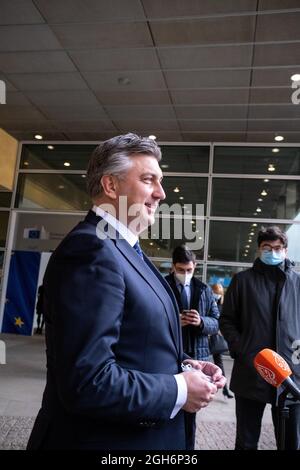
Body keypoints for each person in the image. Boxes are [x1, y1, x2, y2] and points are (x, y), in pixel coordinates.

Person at [27, 133, 225, 450]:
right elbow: (87, 381)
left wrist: (186, 365)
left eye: (160, 181)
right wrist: (179, 389)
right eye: (149, 180)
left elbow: (134, 343)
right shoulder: (91, 250)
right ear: (111, 186)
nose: (161, 193)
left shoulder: (125, 250)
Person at [220, 226, 300, 450]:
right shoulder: (242, 281)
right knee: (246, 441)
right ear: (258, 249)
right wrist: (241, 348)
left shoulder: (297, 283)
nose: (272, 252)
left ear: (285, 250)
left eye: (277, 248)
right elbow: (226, 320)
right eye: (267, 247)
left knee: (291, 442)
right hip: (251, 371)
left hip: (291, 376)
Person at [165, 245, 220, 449]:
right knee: (169, 407)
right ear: (173, 267)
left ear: (195, 267)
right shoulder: (162, 285)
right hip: (171, 355)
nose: (185, 274)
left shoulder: (204, 289)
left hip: (196, 357)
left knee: (190, 413)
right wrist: (173, 321)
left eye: (189, 270)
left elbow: (217, 321)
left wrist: (201, 322)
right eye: (180, 270)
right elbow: (150, 319)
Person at [210, 283, 234, 399]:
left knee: (219, 364)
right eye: (215, 293)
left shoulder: (222, 306)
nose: (217, 296)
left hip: (215, 340)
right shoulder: (208, 303)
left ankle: (225, 389)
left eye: (219, 294)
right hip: (205, 338)